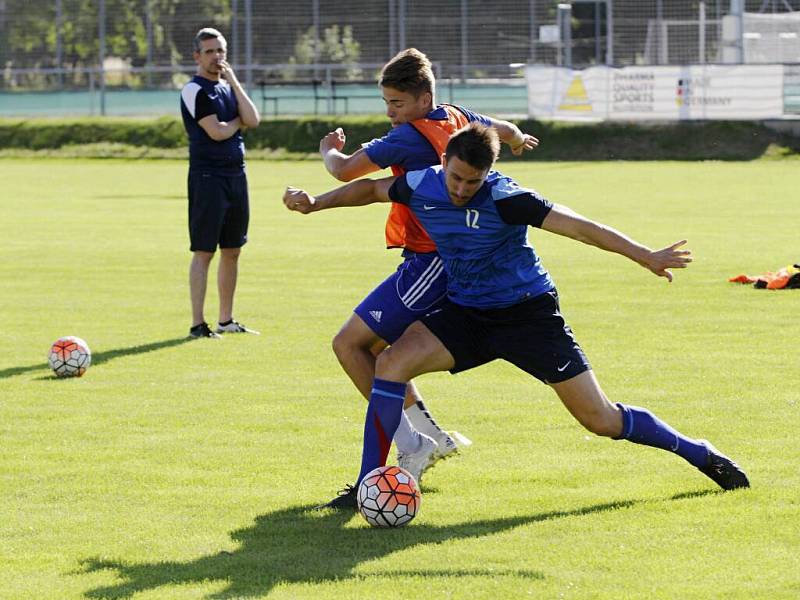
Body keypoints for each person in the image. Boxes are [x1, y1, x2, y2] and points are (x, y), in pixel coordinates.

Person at [284, 122, 750, 509]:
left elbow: (582, 228)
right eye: (457, 178)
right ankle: (368, 486)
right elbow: (369, 189)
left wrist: (643, 254)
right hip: (467, 314)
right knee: (389, 364)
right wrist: (316, 203)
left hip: (529, 317)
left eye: (473, 181)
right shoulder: (422, 183)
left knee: (601, 420)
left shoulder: (508, 198)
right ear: (444, 161)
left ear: (489, 173)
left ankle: (700, 453)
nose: (463, 189)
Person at [316, 48, 539, 491]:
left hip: (431, 261)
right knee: (384, 354)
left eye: (396, 103)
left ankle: (412, 444)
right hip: (448, 255)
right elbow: (505, 129)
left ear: (423, 98)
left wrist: (328, 152)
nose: (390, 113)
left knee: (349, 346)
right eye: (386, 104)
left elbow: (344, 173)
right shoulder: (458, 115)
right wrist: (516, 141)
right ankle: (433, 437)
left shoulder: (408, 136)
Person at [180, 27, 261, 339]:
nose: (217, 57)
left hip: (236, 175)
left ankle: (226, 320)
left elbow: (253, 119)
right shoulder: (193, 90)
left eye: (221, 51)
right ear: (197, 56)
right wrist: (237, 122)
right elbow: (217, 131)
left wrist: (236, 84)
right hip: (207, 177)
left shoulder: (228, 88)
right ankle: (198, 324)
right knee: (204, 251)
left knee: (233, 249)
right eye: (210, 51)